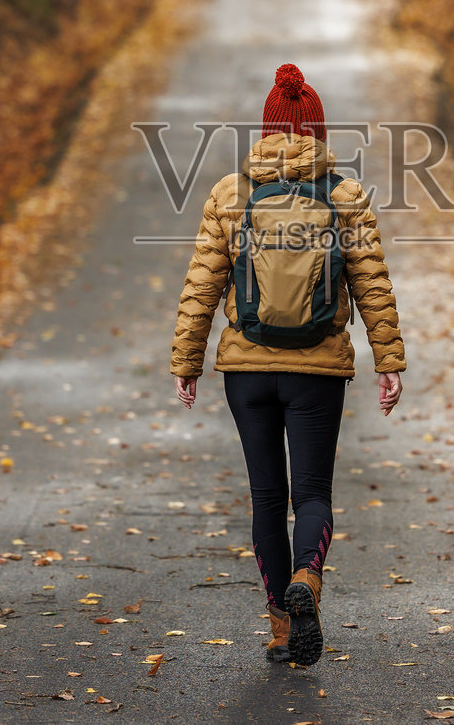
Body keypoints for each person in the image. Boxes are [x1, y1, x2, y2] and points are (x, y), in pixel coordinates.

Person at [170, 63, 406, 668]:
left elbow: (202, 284)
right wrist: (389, 360)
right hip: (318, 369)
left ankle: (281, 625)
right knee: (313, 493)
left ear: (268, 132)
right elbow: (372, 283)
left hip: (247, 373)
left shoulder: (231, 193)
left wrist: (187, 361)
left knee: (267, 497)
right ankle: (309, 578)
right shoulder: (344, 195)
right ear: (319, 134)